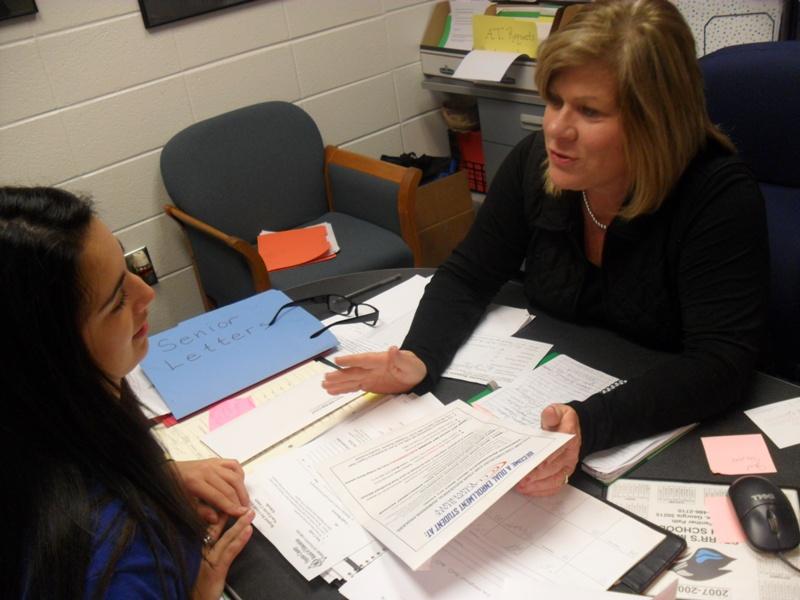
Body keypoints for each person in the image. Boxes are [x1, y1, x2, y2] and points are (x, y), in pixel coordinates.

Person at [323, 0, 769, 496]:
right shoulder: (537, 162)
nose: (557, 128)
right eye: (555, 100)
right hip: (549, 388)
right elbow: (469, 274)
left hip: (661, 422)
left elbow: (721, 363)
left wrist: (590, 423)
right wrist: (419, 355)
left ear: (655, 122)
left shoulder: (717, 195)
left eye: (590, 111)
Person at [2, 187, 254, 598]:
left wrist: (156, 476)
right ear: (53, 355)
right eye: (118, 299)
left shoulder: (33, 432)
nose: (146, 293)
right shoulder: (118, 560)